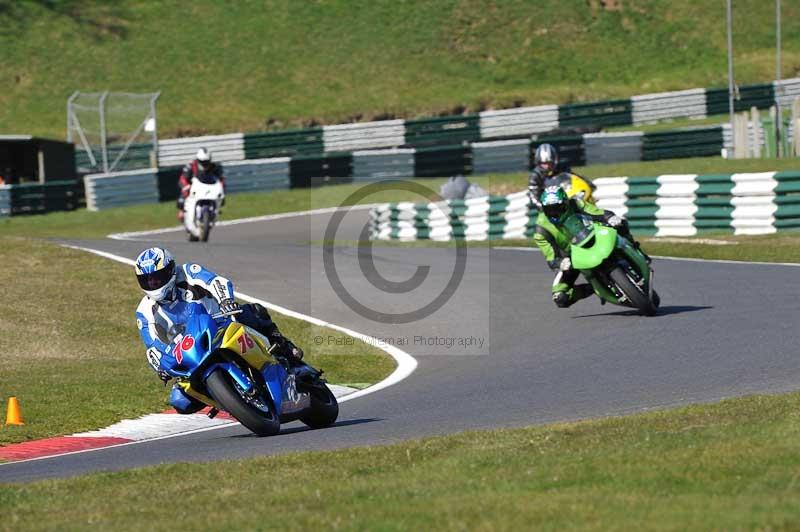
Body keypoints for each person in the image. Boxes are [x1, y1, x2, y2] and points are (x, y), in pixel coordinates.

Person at [134, 247, 303, 414]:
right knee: (180, 401)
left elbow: (216, 282)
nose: (153, 283)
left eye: (157, 278)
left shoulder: (187, 272)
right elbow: (152, 345)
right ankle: (225, 398)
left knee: (252, 311)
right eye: (147, 280)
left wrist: (225, 301)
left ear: (170, 270)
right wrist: (160, 367)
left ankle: (283, 345)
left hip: (220, 324)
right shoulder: (144, 310)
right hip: (191, 351)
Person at [533, 186, 646, 309]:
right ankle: (593, 287)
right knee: (560, 298)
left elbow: (595, 212)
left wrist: (609, 217)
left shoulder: (575, 203)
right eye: (549, 210)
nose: (554, 213)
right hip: (571, 257)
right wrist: (560, 262)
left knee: (620, 223)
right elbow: (551, 257)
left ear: (565, 203)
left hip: (591, 235)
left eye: (558, 208)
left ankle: (636, 250)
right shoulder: (541, 231)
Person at [527, 143, 593, 209]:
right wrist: (542, 206)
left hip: (565, 201)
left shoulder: (561, 169)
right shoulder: (535, 175)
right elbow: (533, 193)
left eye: (549, 163)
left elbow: (575, 177)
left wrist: (587, 184)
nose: (546, 166)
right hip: (547, 206)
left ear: (554, 161)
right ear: (538, 162)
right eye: (544, 163)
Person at [177, 148, 225, 221]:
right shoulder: (191, 166)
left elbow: (221, 179)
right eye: (202, 162)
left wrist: (221, 187)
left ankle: (215, 210)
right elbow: (182, 178)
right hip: (192, 187)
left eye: (206, 162)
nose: (205, 164)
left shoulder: (215, 167)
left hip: (208, 187)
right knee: (182, 199)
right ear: (198, 160)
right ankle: (181, 211)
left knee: (222, 198)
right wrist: (186, 186)